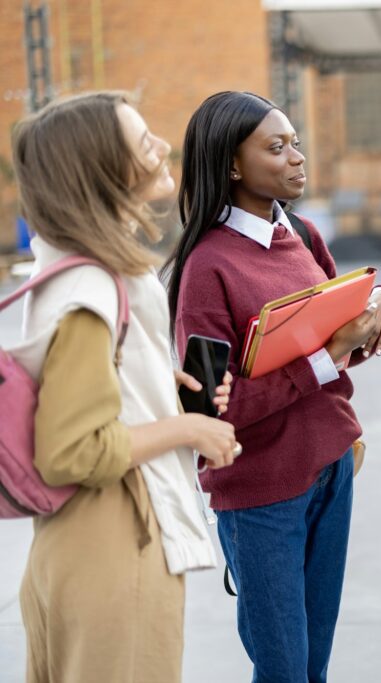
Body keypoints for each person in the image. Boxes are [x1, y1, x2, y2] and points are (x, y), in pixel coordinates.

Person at [164, 91, 381, 683]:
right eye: (277, 147)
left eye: (295, 142)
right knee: (285, 671)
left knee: (313, 663)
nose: (298, 157)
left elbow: (345, 347)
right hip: (260, 496)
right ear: (232, 165)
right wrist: (328, 356)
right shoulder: (206, 269)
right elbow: (209, 411)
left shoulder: (302, 233)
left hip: (332, 470)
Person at [10, 91, 238, 683]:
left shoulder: (70, 269)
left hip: (83, 545)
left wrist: (159, 386)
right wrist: (190, 427)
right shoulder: (90, 287)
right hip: (116, 545)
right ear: (103, 174)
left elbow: (82, 383)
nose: (164, 146)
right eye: (143, 143)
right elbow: (72, 450)